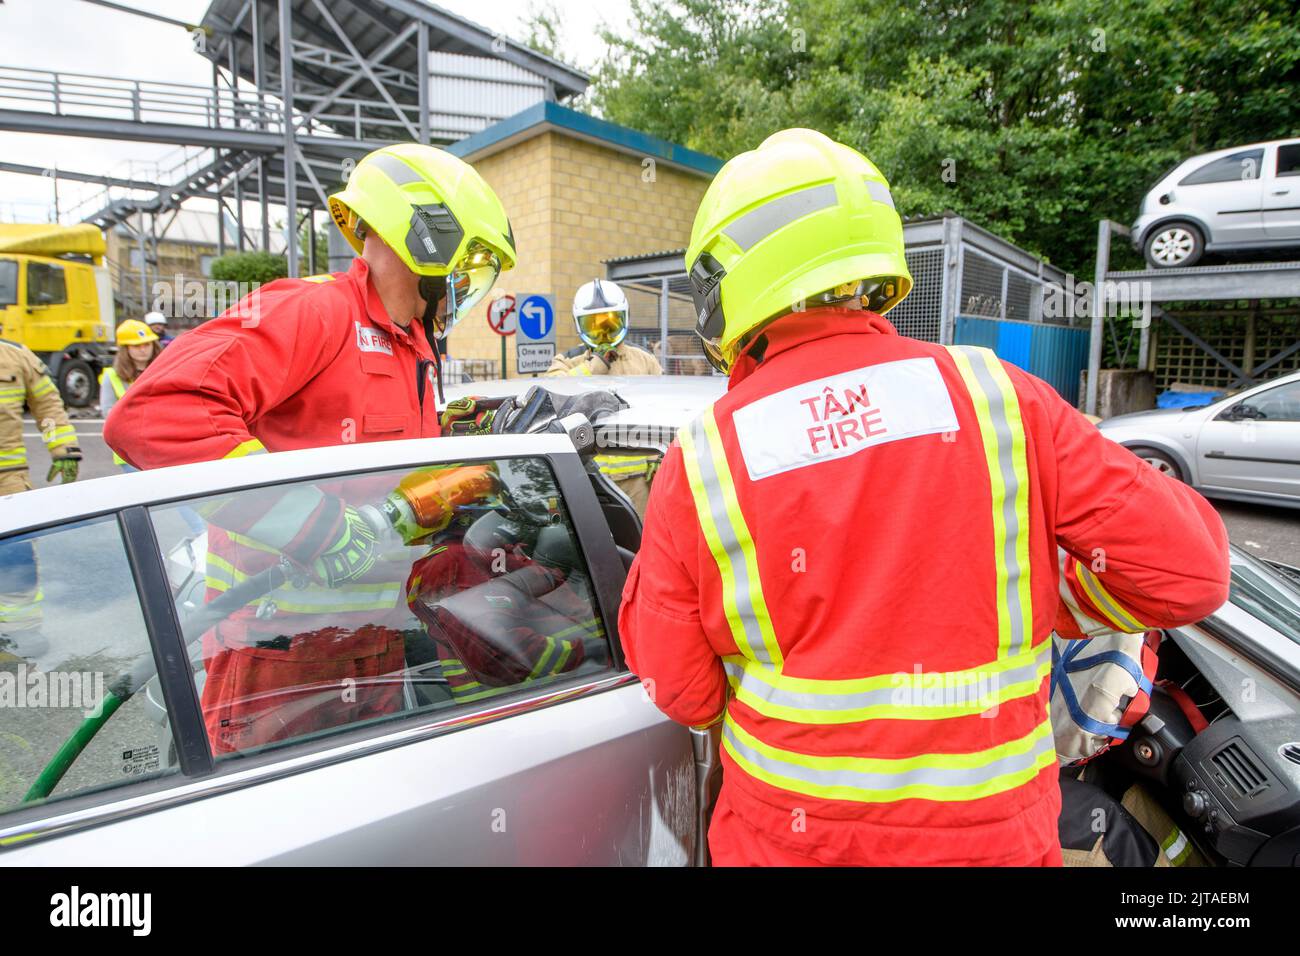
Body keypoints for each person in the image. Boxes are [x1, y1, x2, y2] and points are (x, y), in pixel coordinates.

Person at [618, 128, 1231, 867]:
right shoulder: (1001, 399)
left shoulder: (708, 455)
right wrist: (1055, 594)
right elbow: (1190, 574)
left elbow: (681, 692)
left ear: (726, 283)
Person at [104, 142, 517, 754]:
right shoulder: (313, 312)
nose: (468, 285)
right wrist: (314, 525)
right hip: (278, 659)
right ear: (426, 239)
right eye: (471, 263)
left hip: (374, 642)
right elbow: (155, 415)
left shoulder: (414, 349)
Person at [545, 279, 663, 514]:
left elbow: (661, 411)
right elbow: (553, 395)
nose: (604, 334)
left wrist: (659, 461)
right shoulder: (569, 361)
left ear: (623, 319)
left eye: (610, 323)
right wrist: (593, 367)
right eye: (595, 326)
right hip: (588, 480)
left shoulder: (644, 361)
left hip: (638, 480)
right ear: (581, 326)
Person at [0, 338, 80, 665]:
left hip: (8, 479)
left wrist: (63, 449)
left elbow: (47, 406)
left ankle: (21, 631)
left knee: (15, 555)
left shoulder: (17, 356)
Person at [100, 319, 161, 471]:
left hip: (161, 445)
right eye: (136, 346)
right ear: (125, 349)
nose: (143, 350)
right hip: (130, 452)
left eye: (147, 344)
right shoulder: (112, 376)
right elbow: (108, 412)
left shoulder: (163, 369)